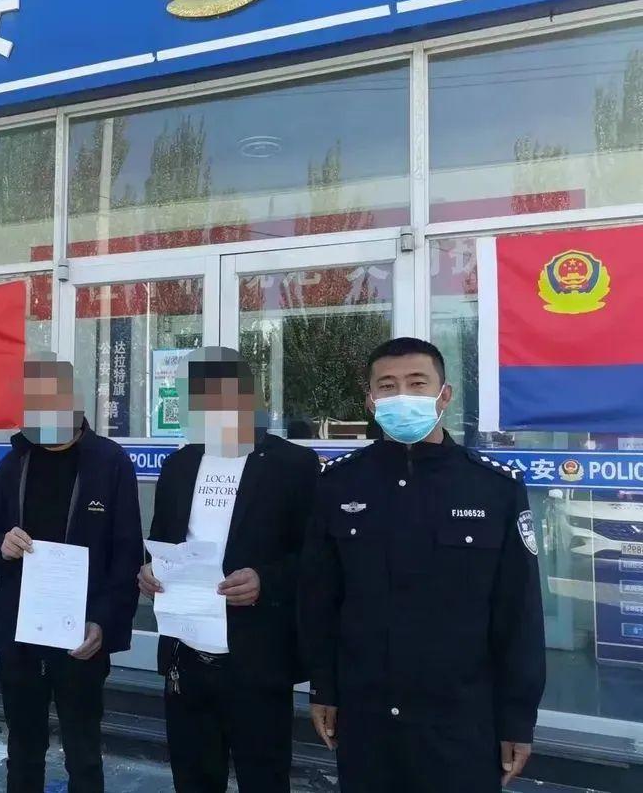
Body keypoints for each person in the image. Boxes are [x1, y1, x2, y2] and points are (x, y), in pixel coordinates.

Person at [300, 337, 546, 792]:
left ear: (444, 395)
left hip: (460, 721)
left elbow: (519, 612)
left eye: (417, 384)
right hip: (367, 716)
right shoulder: (339, 484)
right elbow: (320, 597)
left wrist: (518, 717)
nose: (402, 396)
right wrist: (323, 688)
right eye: (387, 386)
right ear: (370, 401)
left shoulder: (493, 488)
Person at [137, 347, 320, 792]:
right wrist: (149, 572)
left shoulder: (293, 466)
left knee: (264, 779)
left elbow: (316, 558)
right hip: (185, 655)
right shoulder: (179, 465)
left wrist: (266, 581)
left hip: (257, 659)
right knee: (193, 779)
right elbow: (162, 541)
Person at [0, 354, 143, 793]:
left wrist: (103, 623)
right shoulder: (13, 465)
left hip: (81, 637)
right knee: (23, 751)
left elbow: (127, 554)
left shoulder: (109, 462)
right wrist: (1, 547)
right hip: (21, 636)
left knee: (83, 754)